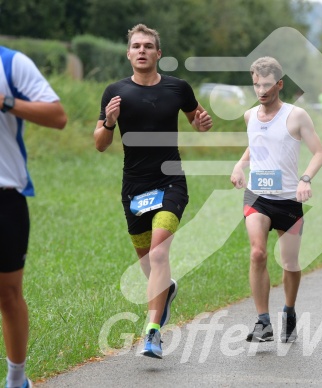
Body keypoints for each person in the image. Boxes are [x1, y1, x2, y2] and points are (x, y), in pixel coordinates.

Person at [93, 24, 212, 359]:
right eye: (136, 46)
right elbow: (100, 145)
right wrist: (109, 121)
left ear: (159, 54)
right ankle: (167, 289)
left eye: (148, 46)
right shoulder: (115, 92)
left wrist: (201, 124)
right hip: (134, 187)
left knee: (159, 255)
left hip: (171, 181)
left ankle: (152, 332)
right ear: (129, 53)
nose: (142, 50)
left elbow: (196, 118)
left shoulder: (178, 88)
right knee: (149, 266)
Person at [230, 56, 322, 343]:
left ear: (279, 84)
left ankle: (289, 310)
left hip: (288, 199)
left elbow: (319, 153)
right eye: (257, 84)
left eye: (267, 84)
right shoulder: (249, 116)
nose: (261, 90)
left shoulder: (296, 116)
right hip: (257, 196)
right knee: (257, 253)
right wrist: (239, 166)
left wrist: (305, 179)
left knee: (290, 263)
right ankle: (263, 322)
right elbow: (254, 146)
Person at [1, 46, 67, 388]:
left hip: (5, 197)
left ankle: (16, 380)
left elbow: (58, 116)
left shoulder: (11, 63)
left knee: (8, 294)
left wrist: (5, 101)